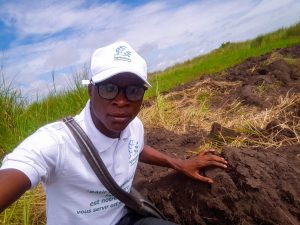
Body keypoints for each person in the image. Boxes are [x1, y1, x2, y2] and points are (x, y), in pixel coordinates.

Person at [0, 41, 228, 225]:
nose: (121, 101)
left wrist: (179, 163)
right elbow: (21, 167)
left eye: (133, 90)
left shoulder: (134, 126)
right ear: (91, 91)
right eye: (109, 88)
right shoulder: (57, 142)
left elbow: (136, 149)